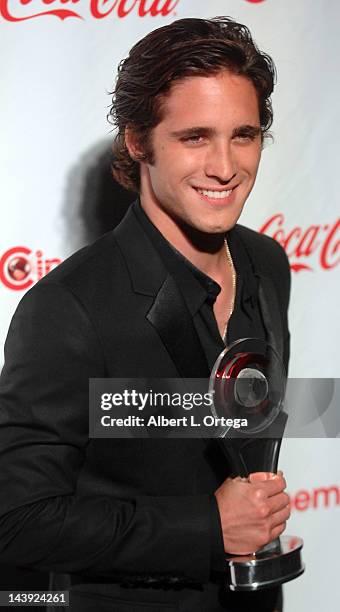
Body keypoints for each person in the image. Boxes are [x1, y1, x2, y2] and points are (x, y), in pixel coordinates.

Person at [0, 17, 291, 612]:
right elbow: (16, 520)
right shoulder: (68, 307)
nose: (225, 167)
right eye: (194, 137)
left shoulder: (267, 263)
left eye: (243, 135)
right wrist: (207, 530)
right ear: (138, 141)